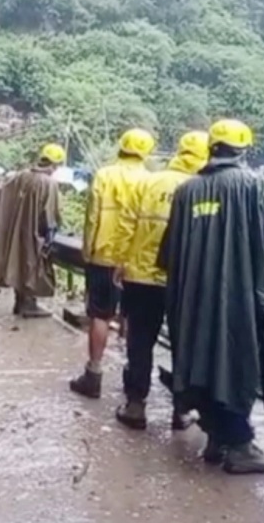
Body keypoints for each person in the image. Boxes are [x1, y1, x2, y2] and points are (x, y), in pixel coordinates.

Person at [158, 119, 264, 475]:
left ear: (211, 147)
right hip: (235, 296)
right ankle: (240, 446)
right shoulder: (249, 184)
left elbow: (167, 253)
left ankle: (217, 439)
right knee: (236, 362)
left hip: (189, 298)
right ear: (243, 150)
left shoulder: (186, 191)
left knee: (200, 361)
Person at [113, 131, 210, 431]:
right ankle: (181, 410)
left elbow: (127, 222)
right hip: (184, 283)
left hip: (141, 276)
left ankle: (136, 404)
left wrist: (121, 261)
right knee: (185, 345)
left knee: (140, 341)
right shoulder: (204, 189)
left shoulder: (150, 181)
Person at [70, 128, 156, 399]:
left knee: (100, 314)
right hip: (135, 262)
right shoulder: (150, 181)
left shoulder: (105, 175)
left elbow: (92, 217)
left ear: (122, 146)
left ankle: (94, 374)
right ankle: (131, 378)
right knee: (134, 319)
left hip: (104, 257)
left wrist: (88, 249)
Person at [0, 143, 65, 318]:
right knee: (32, 265)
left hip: (16, 229)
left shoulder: (21, 176)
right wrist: (49, 234)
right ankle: (28, 304)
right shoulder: (49, 183)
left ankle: (20, 302)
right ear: (55, 165)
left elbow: (4, 193)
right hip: (34, 231)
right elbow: (50, 213)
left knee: (18, 262)